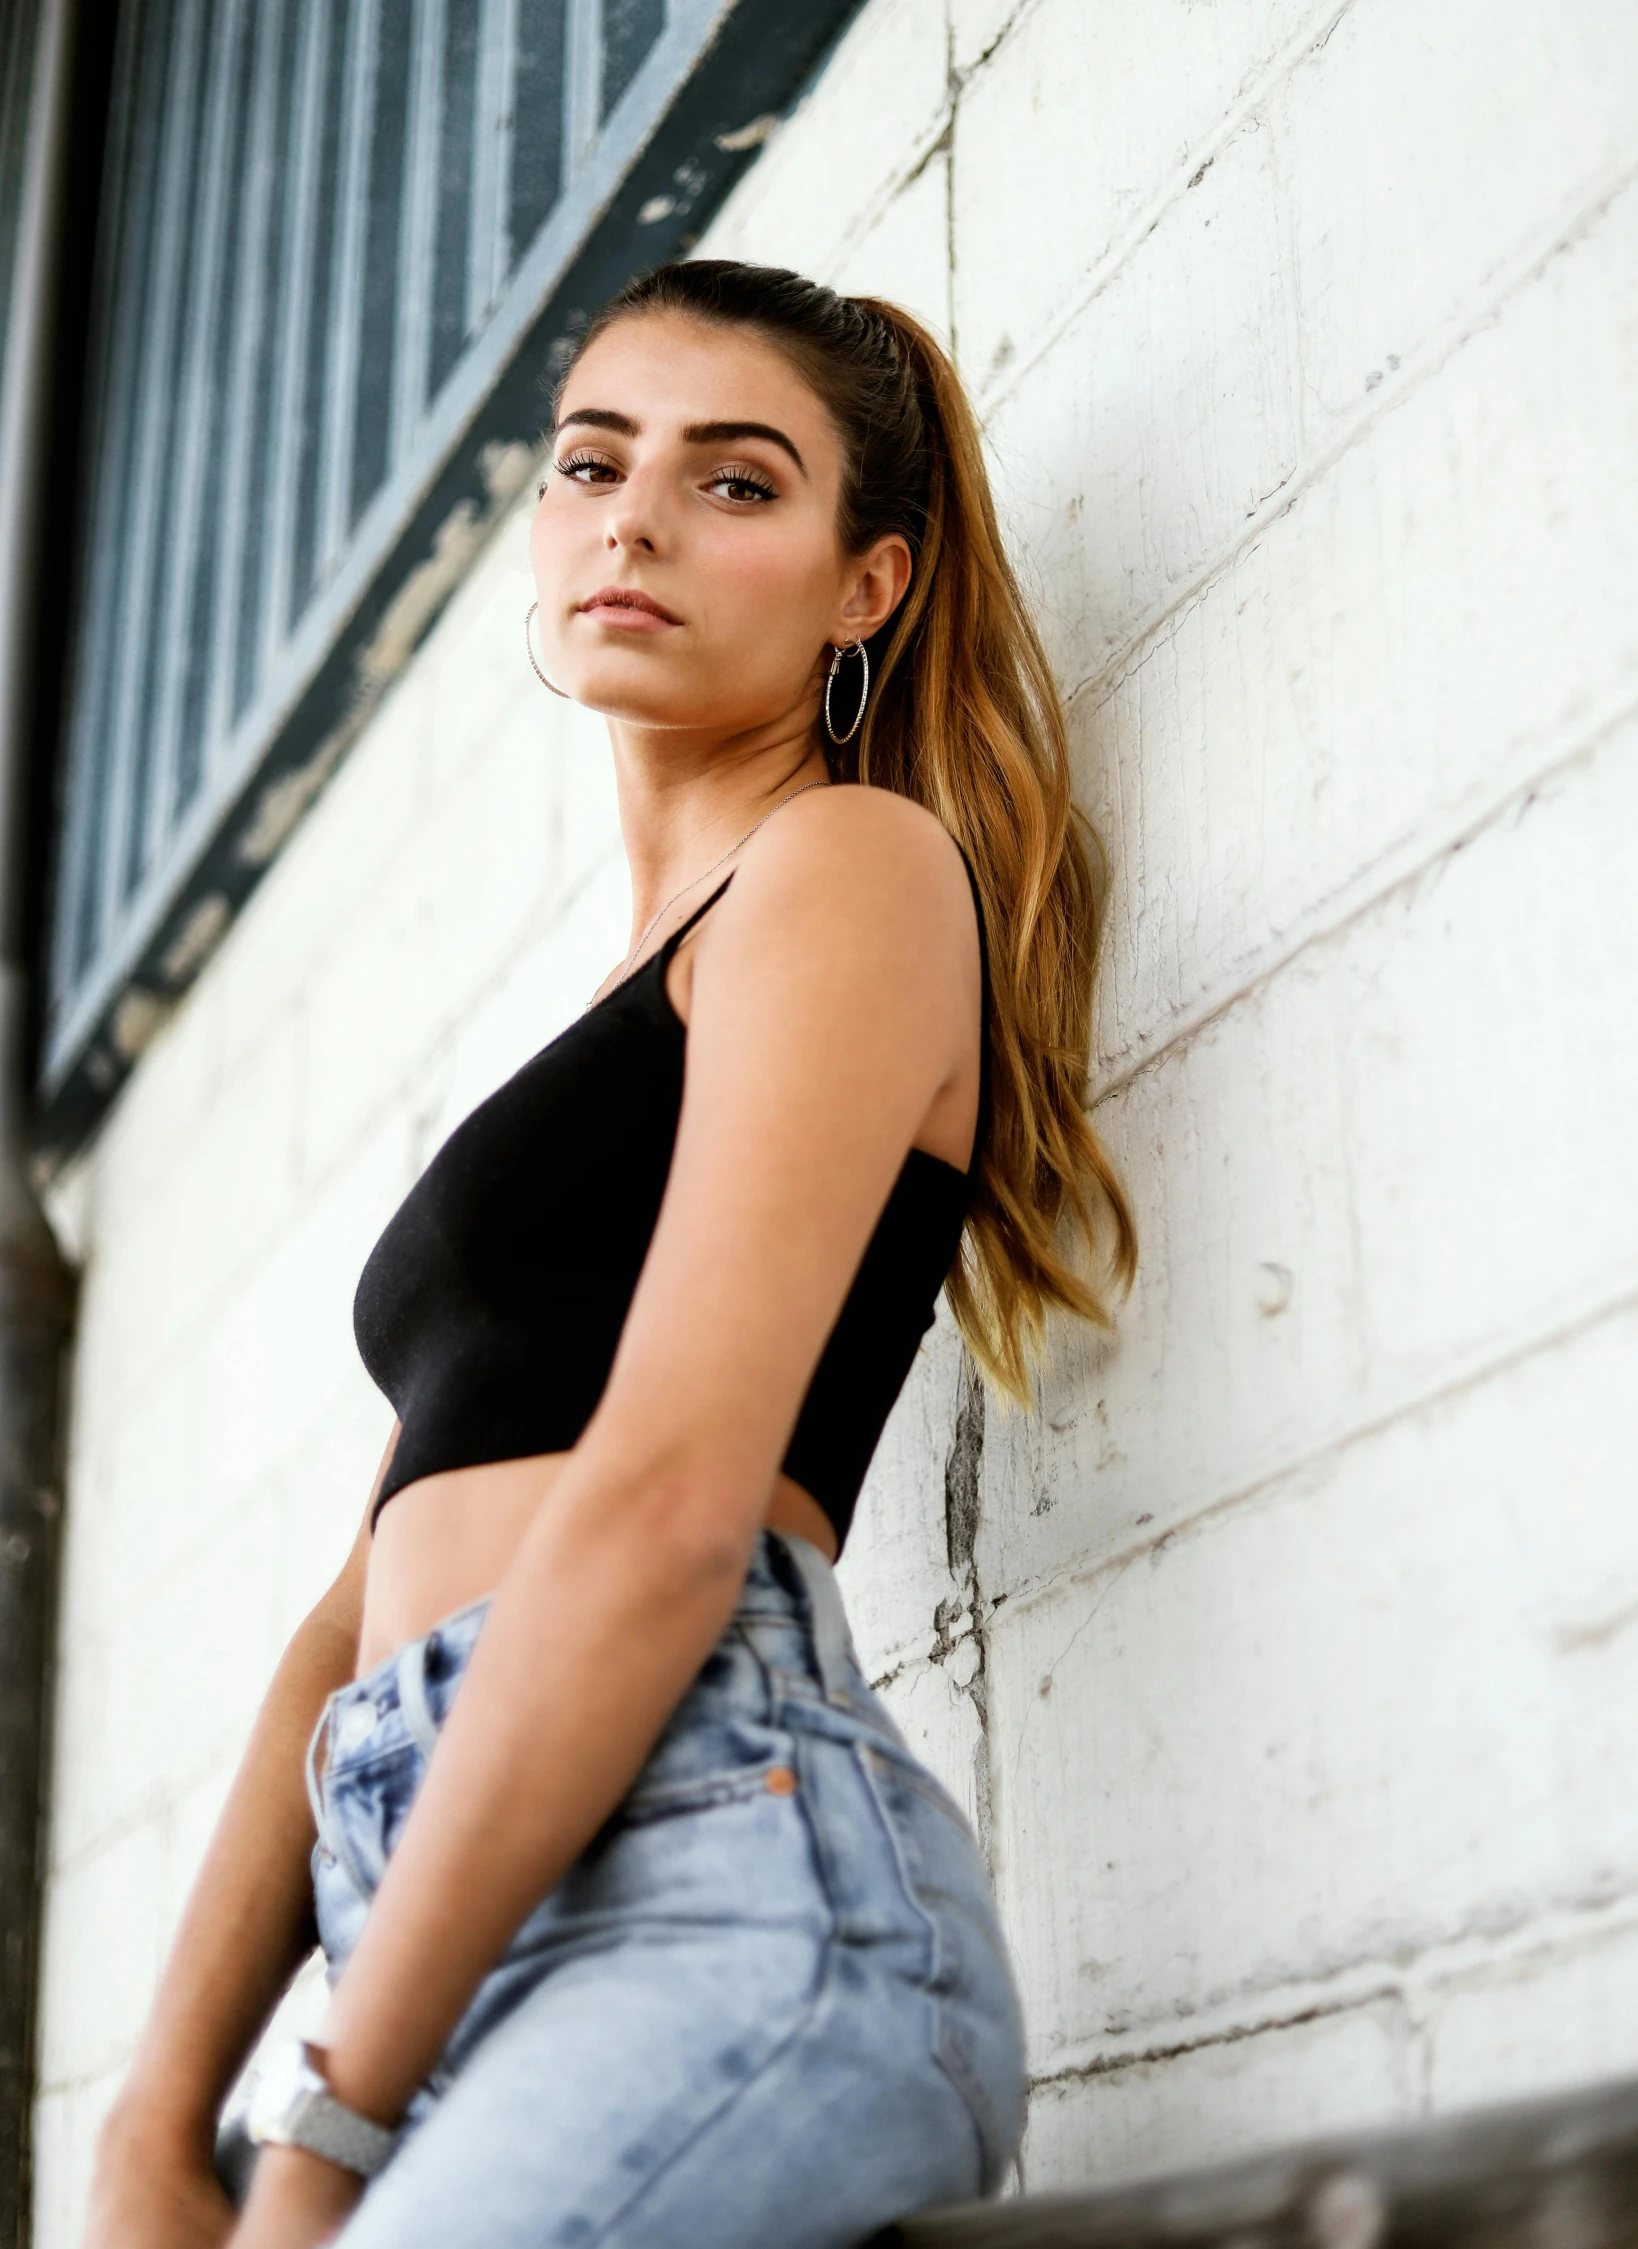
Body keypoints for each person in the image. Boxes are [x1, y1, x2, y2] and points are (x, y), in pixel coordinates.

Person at [82, 261, 1135, 2249]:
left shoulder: (845, 867)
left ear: (866, 584)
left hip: (717, 1888)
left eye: (738, 483)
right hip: (450, 1904)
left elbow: (663, 1512)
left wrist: (326, 2130)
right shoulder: (619, 1006)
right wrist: (157, 2115)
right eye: (592, 460)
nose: (636, 515)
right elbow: (349, 1616)